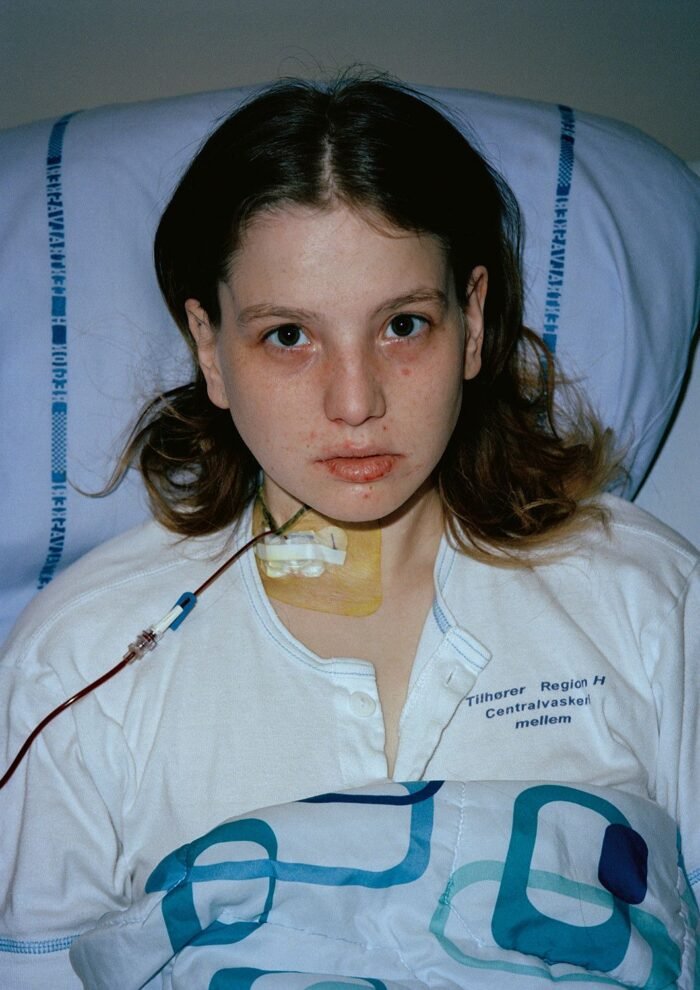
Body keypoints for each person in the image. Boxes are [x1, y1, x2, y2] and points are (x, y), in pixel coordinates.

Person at [1, 75, 698, 988]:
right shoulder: (79, 667)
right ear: (209, 347)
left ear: (472, 322)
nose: (356, 401)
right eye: (289, 336)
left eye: (403, 325)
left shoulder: (649, 602)